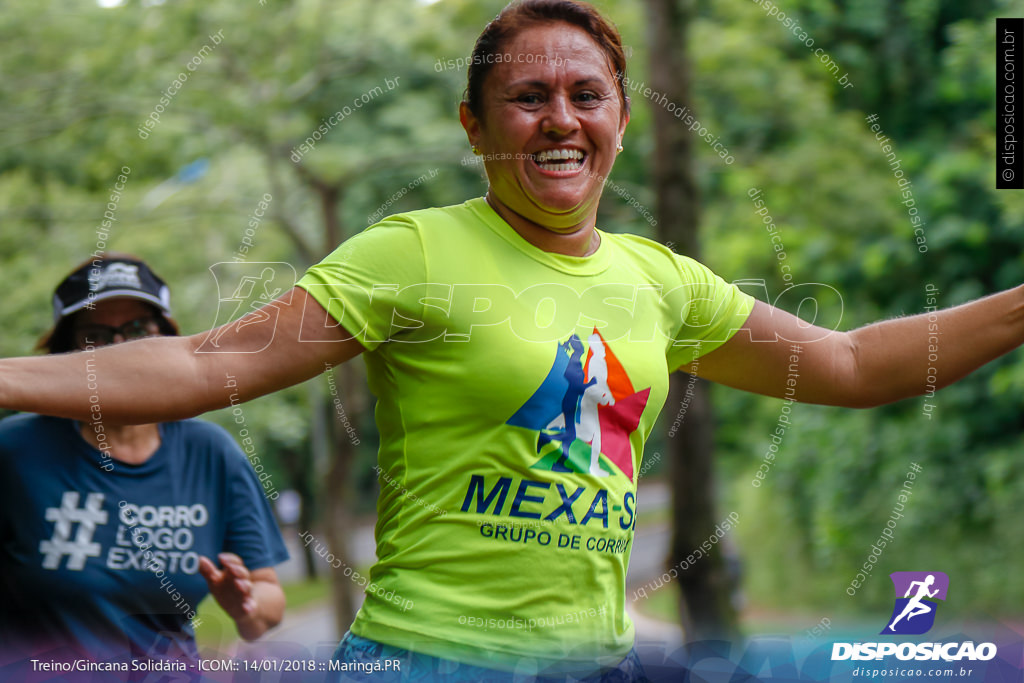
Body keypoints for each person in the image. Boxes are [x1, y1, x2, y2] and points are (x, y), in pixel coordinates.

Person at [1, 0, 1023, 680]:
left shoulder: (661, 280)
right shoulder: (413, 250)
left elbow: (848, 364)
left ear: (620, 115)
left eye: (585, 94)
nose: (559, 119)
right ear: (473, 123)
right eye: (527, 97)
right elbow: (206, 361)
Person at [0, 254, 289, 677]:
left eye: (137, 332)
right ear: (62, 355)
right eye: (96, 336)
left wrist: (246, 604)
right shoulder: (14, 450)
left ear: (168, 344)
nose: (121, 353)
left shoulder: (212, 452)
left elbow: (269, 598)